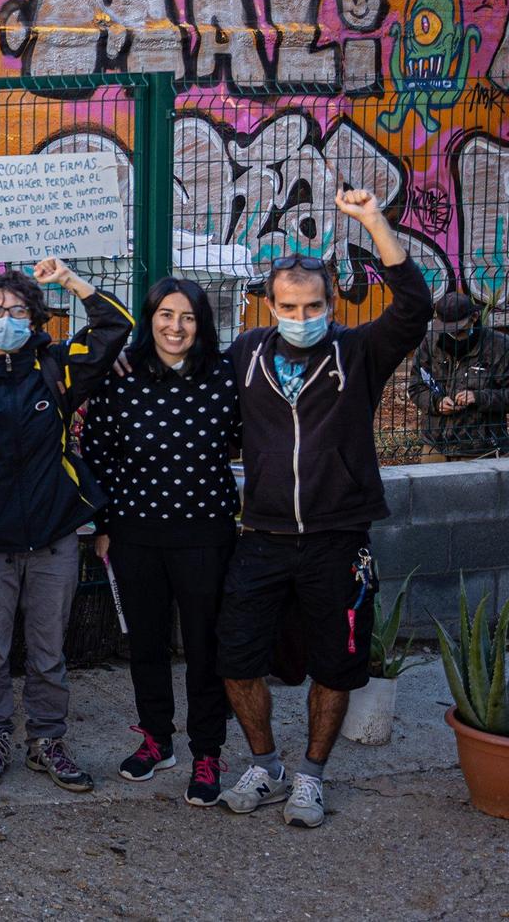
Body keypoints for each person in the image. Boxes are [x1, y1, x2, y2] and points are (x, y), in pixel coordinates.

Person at [216, 190, 432, 828]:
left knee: (337, 664)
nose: (300, 316)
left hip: (339, 537)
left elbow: (416, 307)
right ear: (270, 304)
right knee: (235, 655)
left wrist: (373, 222)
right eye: (288, 306)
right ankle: (265, 765)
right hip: (261, 534)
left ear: (332, 305)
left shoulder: (357, 354)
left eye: (313, 306)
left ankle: (311, 777)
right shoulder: (246, 355)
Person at [0, 258, 130, 793]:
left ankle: (48, 741)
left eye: (19, 310)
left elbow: (116, 327)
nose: (6, 318)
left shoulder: (56, 366)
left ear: (37, 319)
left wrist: (69, 279)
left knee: (49, 651)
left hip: (52, 537)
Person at [82, 278, 241, 806]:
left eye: (188, 317)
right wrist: (103, 526)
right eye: (165, 315)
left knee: (204, 647)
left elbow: (249, 439)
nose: (176, 327)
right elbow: (98, 452)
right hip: (134, 534)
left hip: (206, 533)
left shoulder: (225, 376)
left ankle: (207, 752)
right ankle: (157, 739)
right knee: (146, 644)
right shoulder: (121, 375)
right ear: (149, 319)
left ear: (203, 323)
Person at [407, 291, 509, 459]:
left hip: (481, 448)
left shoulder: (500, 347)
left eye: (459, 330)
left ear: (474, 317)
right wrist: (437, 403)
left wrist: (479, 397)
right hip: (435, 444)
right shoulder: (429, 342)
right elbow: (416, 386)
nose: (453, 335)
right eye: (448, 330)